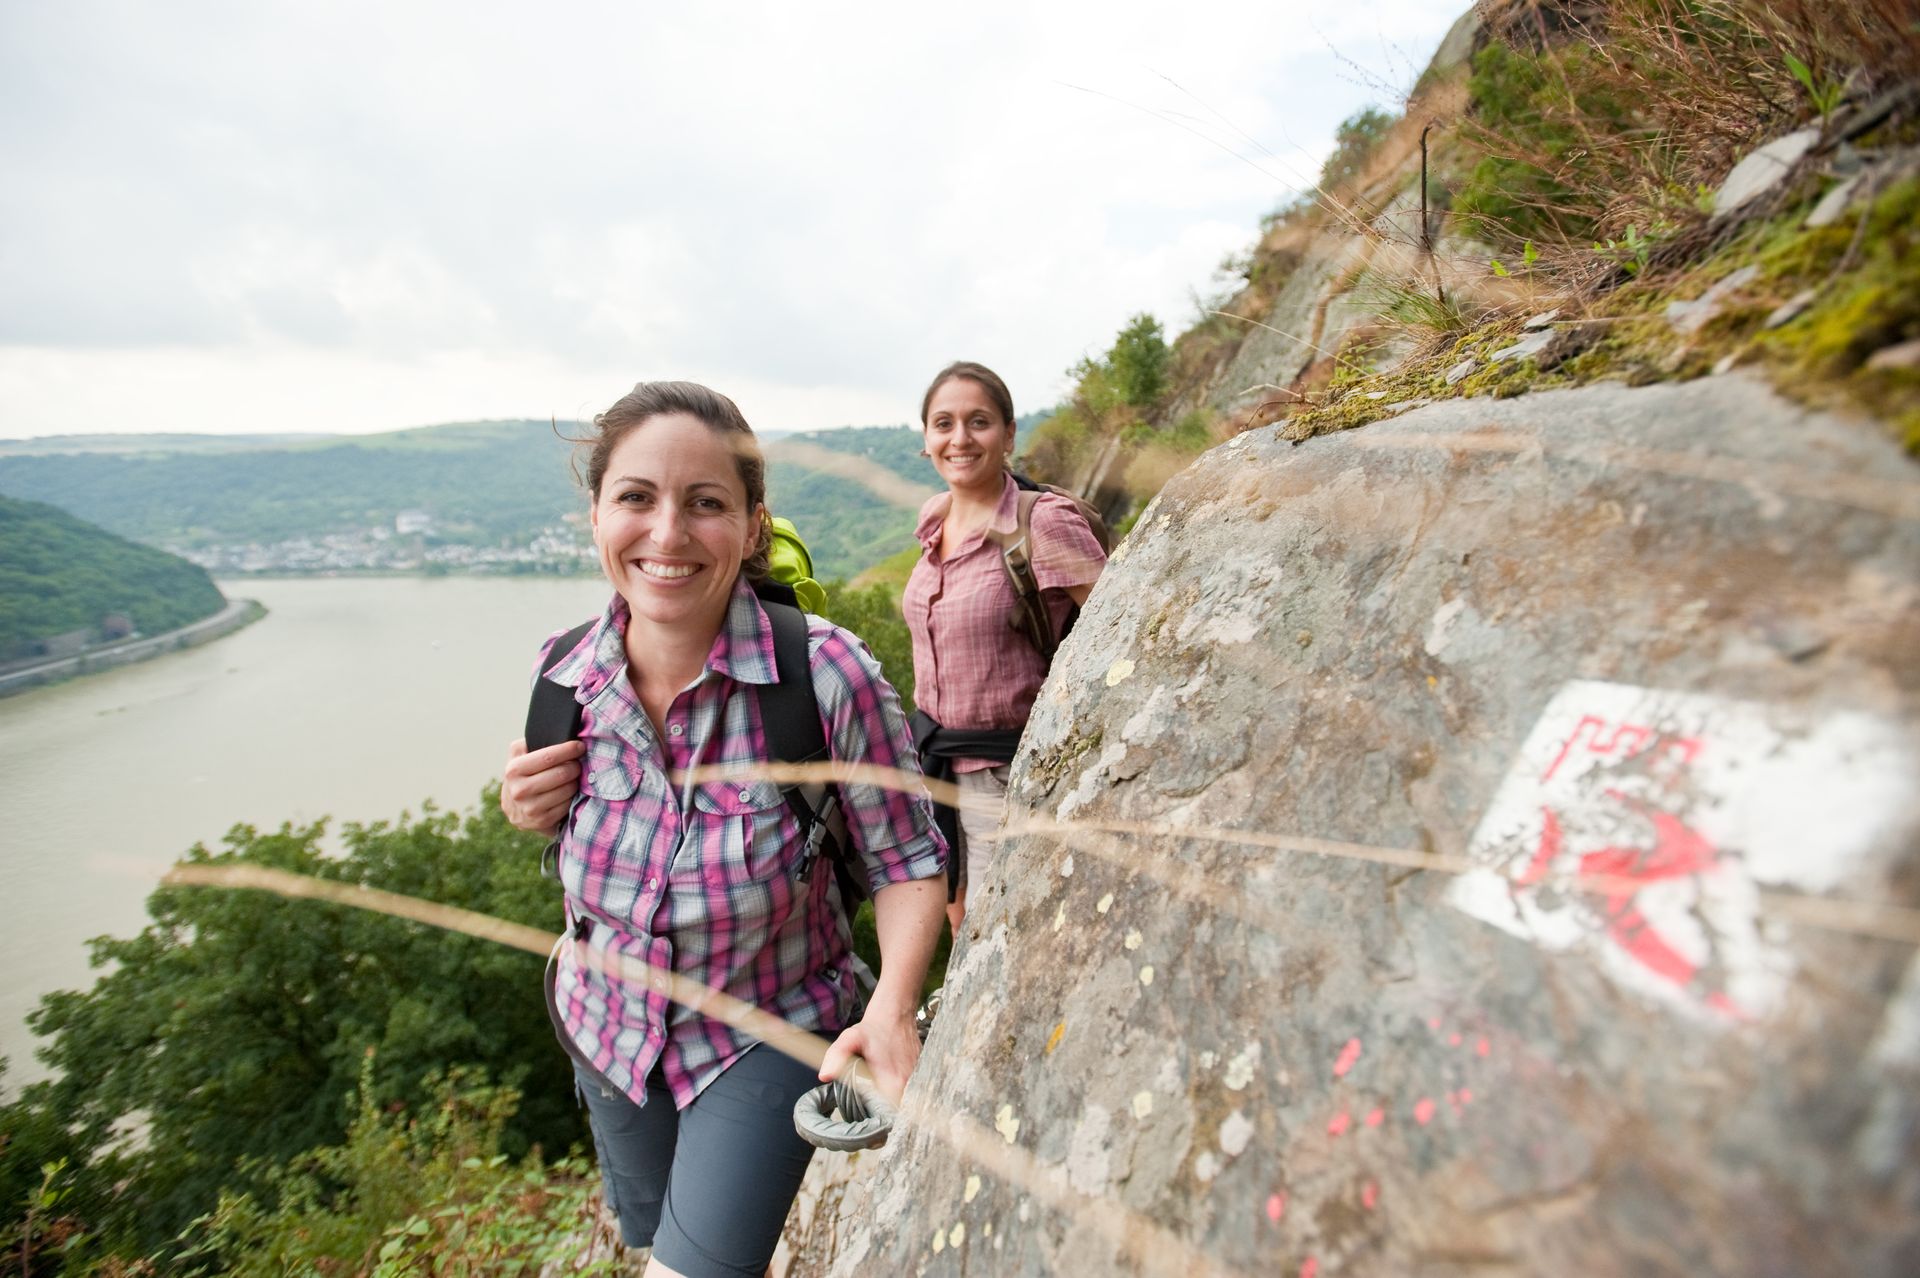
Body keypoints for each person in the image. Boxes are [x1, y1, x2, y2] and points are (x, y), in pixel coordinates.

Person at [498, 381, 946, 1278]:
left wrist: (894, 1008)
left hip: (769, 1031)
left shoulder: (821, 676)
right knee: (651, 1235)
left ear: (750, 527)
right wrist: (527, 808)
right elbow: (581, 838)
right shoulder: (563, 674)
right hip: (609, 1034)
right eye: (636, 498)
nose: (666, 535)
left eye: (705, 504)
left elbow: (904, 858)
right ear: (596, 514)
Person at [904, 361, 1107, 935]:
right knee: (957, 918)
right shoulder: (933, 517)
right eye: (943, 423)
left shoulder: (1044, 523)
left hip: (1008, 774)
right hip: (936, 768)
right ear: (926, 438)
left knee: (998, 931)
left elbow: (1119, 634)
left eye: (979, 422)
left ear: (1010, 434)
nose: (960, 438)